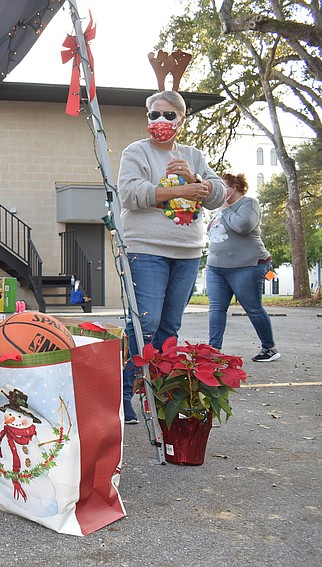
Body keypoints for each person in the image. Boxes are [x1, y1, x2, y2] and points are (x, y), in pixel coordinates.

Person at [117, 90, 226, 424]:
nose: (160, 122)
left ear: (181, 119)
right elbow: (130, 193)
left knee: (169, 328)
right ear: (147, 119)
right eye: (154, 115)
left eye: (168, 115)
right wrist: (180, 191)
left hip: (188, 252)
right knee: (144, 323)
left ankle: (161, 396)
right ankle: (121, 394)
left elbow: (217, 194)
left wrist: (196, 180)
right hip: (145, 248)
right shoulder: (136, 152)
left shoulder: (194, 155)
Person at [206, 173, 279, 362]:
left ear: (235, 187)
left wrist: (225, 208)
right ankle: (214, 350)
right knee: (216, 309)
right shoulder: (218, 209)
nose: (220, 192)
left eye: (223, 188)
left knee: (253, 308)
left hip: (246, 266)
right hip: (216, 267)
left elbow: (244, 225)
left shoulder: (249, 204)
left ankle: (269, 348)